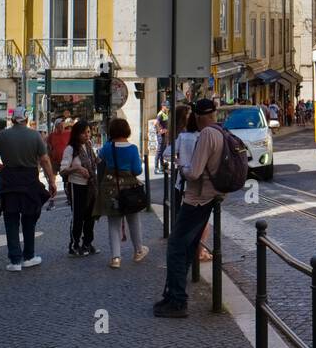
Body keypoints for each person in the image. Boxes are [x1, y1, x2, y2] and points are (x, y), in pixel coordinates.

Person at [159, 98, 228, 319]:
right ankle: (173, 295)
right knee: (187, 248)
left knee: (175, 246)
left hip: (197, 198)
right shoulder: (220, 131)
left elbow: (195, 172)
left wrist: (182, 167)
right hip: (209, 197)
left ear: (198, 117)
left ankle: (178, 301)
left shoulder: (206, 134)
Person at [0, 108, 56, 272]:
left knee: (11, 220)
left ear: (13, 120)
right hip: (29, 181)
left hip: (9, 182)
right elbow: (45, 160)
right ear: (26, 120)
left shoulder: (3, 135)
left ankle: (15, 261)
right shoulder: (35, 136)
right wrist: (51, 181)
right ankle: (29, 257)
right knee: (29, 219)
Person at [95, 117, 150, 268]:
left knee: (113, 223)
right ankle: (138, 251)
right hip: (129, 189)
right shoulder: (132, 149)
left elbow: (99, 159)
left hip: (110, 188)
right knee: (134, 220)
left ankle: (116, 258)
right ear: (127, 130)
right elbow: (137, 170)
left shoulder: (107, 147)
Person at [172, 106, 212, 263]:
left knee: (185, 218)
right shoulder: (201, 137)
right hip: (199, 184)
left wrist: (180, 162)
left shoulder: (182, 137)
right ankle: (199, 252)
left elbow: (167, 153)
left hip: (182, 182)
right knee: (203, 220)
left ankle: (190, 248)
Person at [60, 119, 99, 256]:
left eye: (88, 132)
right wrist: (77, 168)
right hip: (77, 186)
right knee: (78, 216)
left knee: (90, 216)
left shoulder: (88, 145)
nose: (87, 135)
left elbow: (95, 162)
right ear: (76, 134)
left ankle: (87, 243)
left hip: (91, 186)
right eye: (83, 133)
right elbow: (63, 170)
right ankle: (74, 245)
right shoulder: (70, 149)